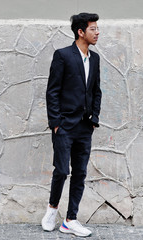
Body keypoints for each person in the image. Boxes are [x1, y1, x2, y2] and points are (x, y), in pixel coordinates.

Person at [42, 12, 102, 237]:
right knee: (61, 170)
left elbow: (96, 91)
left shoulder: (94, 59)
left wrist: (94, 119)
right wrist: (56, 123)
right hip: (65, 125)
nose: (97, 33)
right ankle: (52, 209)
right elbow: (52, 91)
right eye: (93, 29)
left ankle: (70, 220)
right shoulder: (63, 55)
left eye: (97, 29)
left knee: (80, 173)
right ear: (80, 32)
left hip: (85, 127)